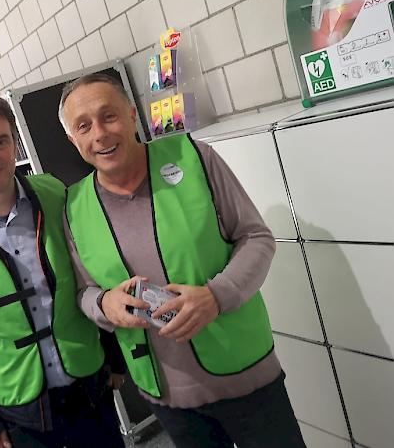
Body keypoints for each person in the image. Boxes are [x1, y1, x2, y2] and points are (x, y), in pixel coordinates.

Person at [59, 74, 306, 448]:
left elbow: (256, 237)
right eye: (84, 125)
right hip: (165, 392)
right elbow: (82, 290)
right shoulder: (74, 207)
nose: (100, 134)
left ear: (130, 115)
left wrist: (216, 295)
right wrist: (103, 303)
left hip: (246, 376)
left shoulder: (194, 157)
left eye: (108, 116)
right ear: (72, 138)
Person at [0, 96, 125, 448]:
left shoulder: (56, 195)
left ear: (15, 143)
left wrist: (115, 359)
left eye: (0, 140)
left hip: (88, 387)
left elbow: (91, 277)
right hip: (16, 411)